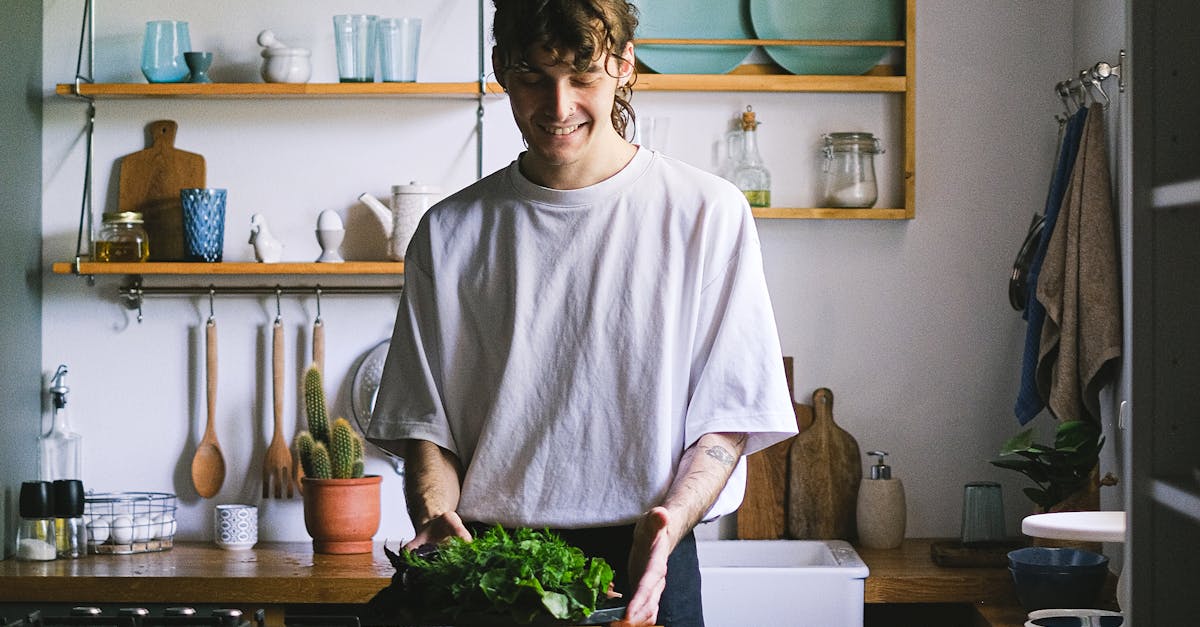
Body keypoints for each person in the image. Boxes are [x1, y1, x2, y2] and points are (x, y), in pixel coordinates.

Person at [367, 1, 797, 624]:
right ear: (502, 73)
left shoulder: (707, 213)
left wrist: (670, 525)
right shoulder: (448, 232)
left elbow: (727, 422)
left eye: (583, 77)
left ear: (624, 66)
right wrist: (435, 517)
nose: (558, 106)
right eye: (534, 77)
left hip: (647, 552)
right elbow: (426, 427)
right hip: (489, 561)